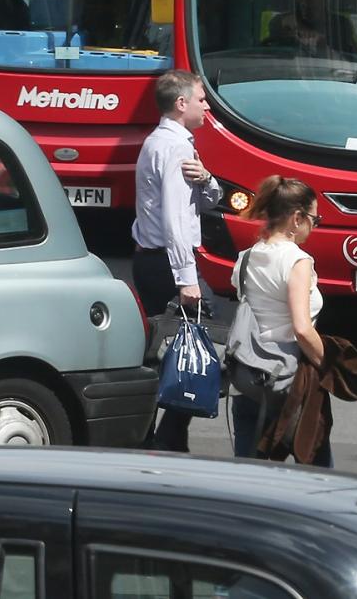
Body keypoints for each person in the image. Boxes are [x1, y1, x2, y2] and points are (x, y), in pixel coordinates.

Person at [128, 69, 223, 453]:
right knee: (202, 344)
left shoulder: (160, 141)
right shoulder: (177, 147)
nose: (207, 106)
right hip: (168, 263)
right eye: (202, 99)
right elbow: (176, 218)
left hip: (150, 261)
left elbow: (205, 200)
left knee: (159, 351)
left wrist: (208, 180)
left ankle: (152, 434)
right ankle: (167, 434)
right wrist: (187, 278)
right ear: (182, 104)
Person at [223, 176, 328, 464]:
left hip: (246, 377)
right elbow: (302, 329)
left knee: (248, 471)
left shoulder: (245, 257)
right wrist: (328, 365)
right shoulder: (297, 261)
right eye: (314, 219)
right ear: (296, 218)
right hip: (286, 382)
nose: (313, 226)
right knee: (318, 470)